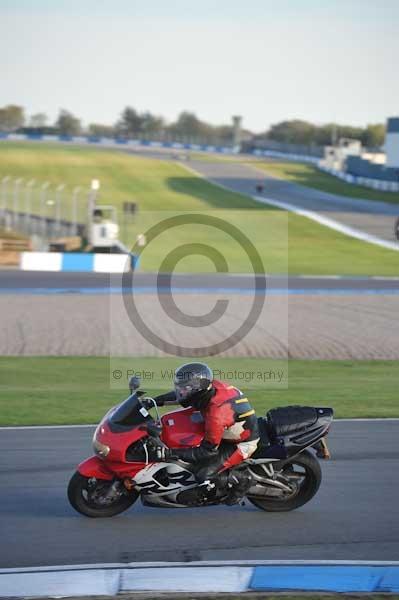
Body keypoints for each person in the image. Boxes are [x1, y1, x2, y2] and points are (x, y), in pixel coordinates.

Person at [153, 362, 260, 504]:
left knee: (204, 474)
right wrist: (154, 401)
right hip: (229, 427)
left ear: (198, 390)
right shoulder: (209, 388)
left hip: (244, 442)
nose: (181, 391)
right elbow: (183, 396)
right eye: (181, 388)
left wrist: (170, 453)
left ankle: (243, 482)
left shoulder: (216, 415)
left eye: (185, 388)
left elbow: (207, 451)